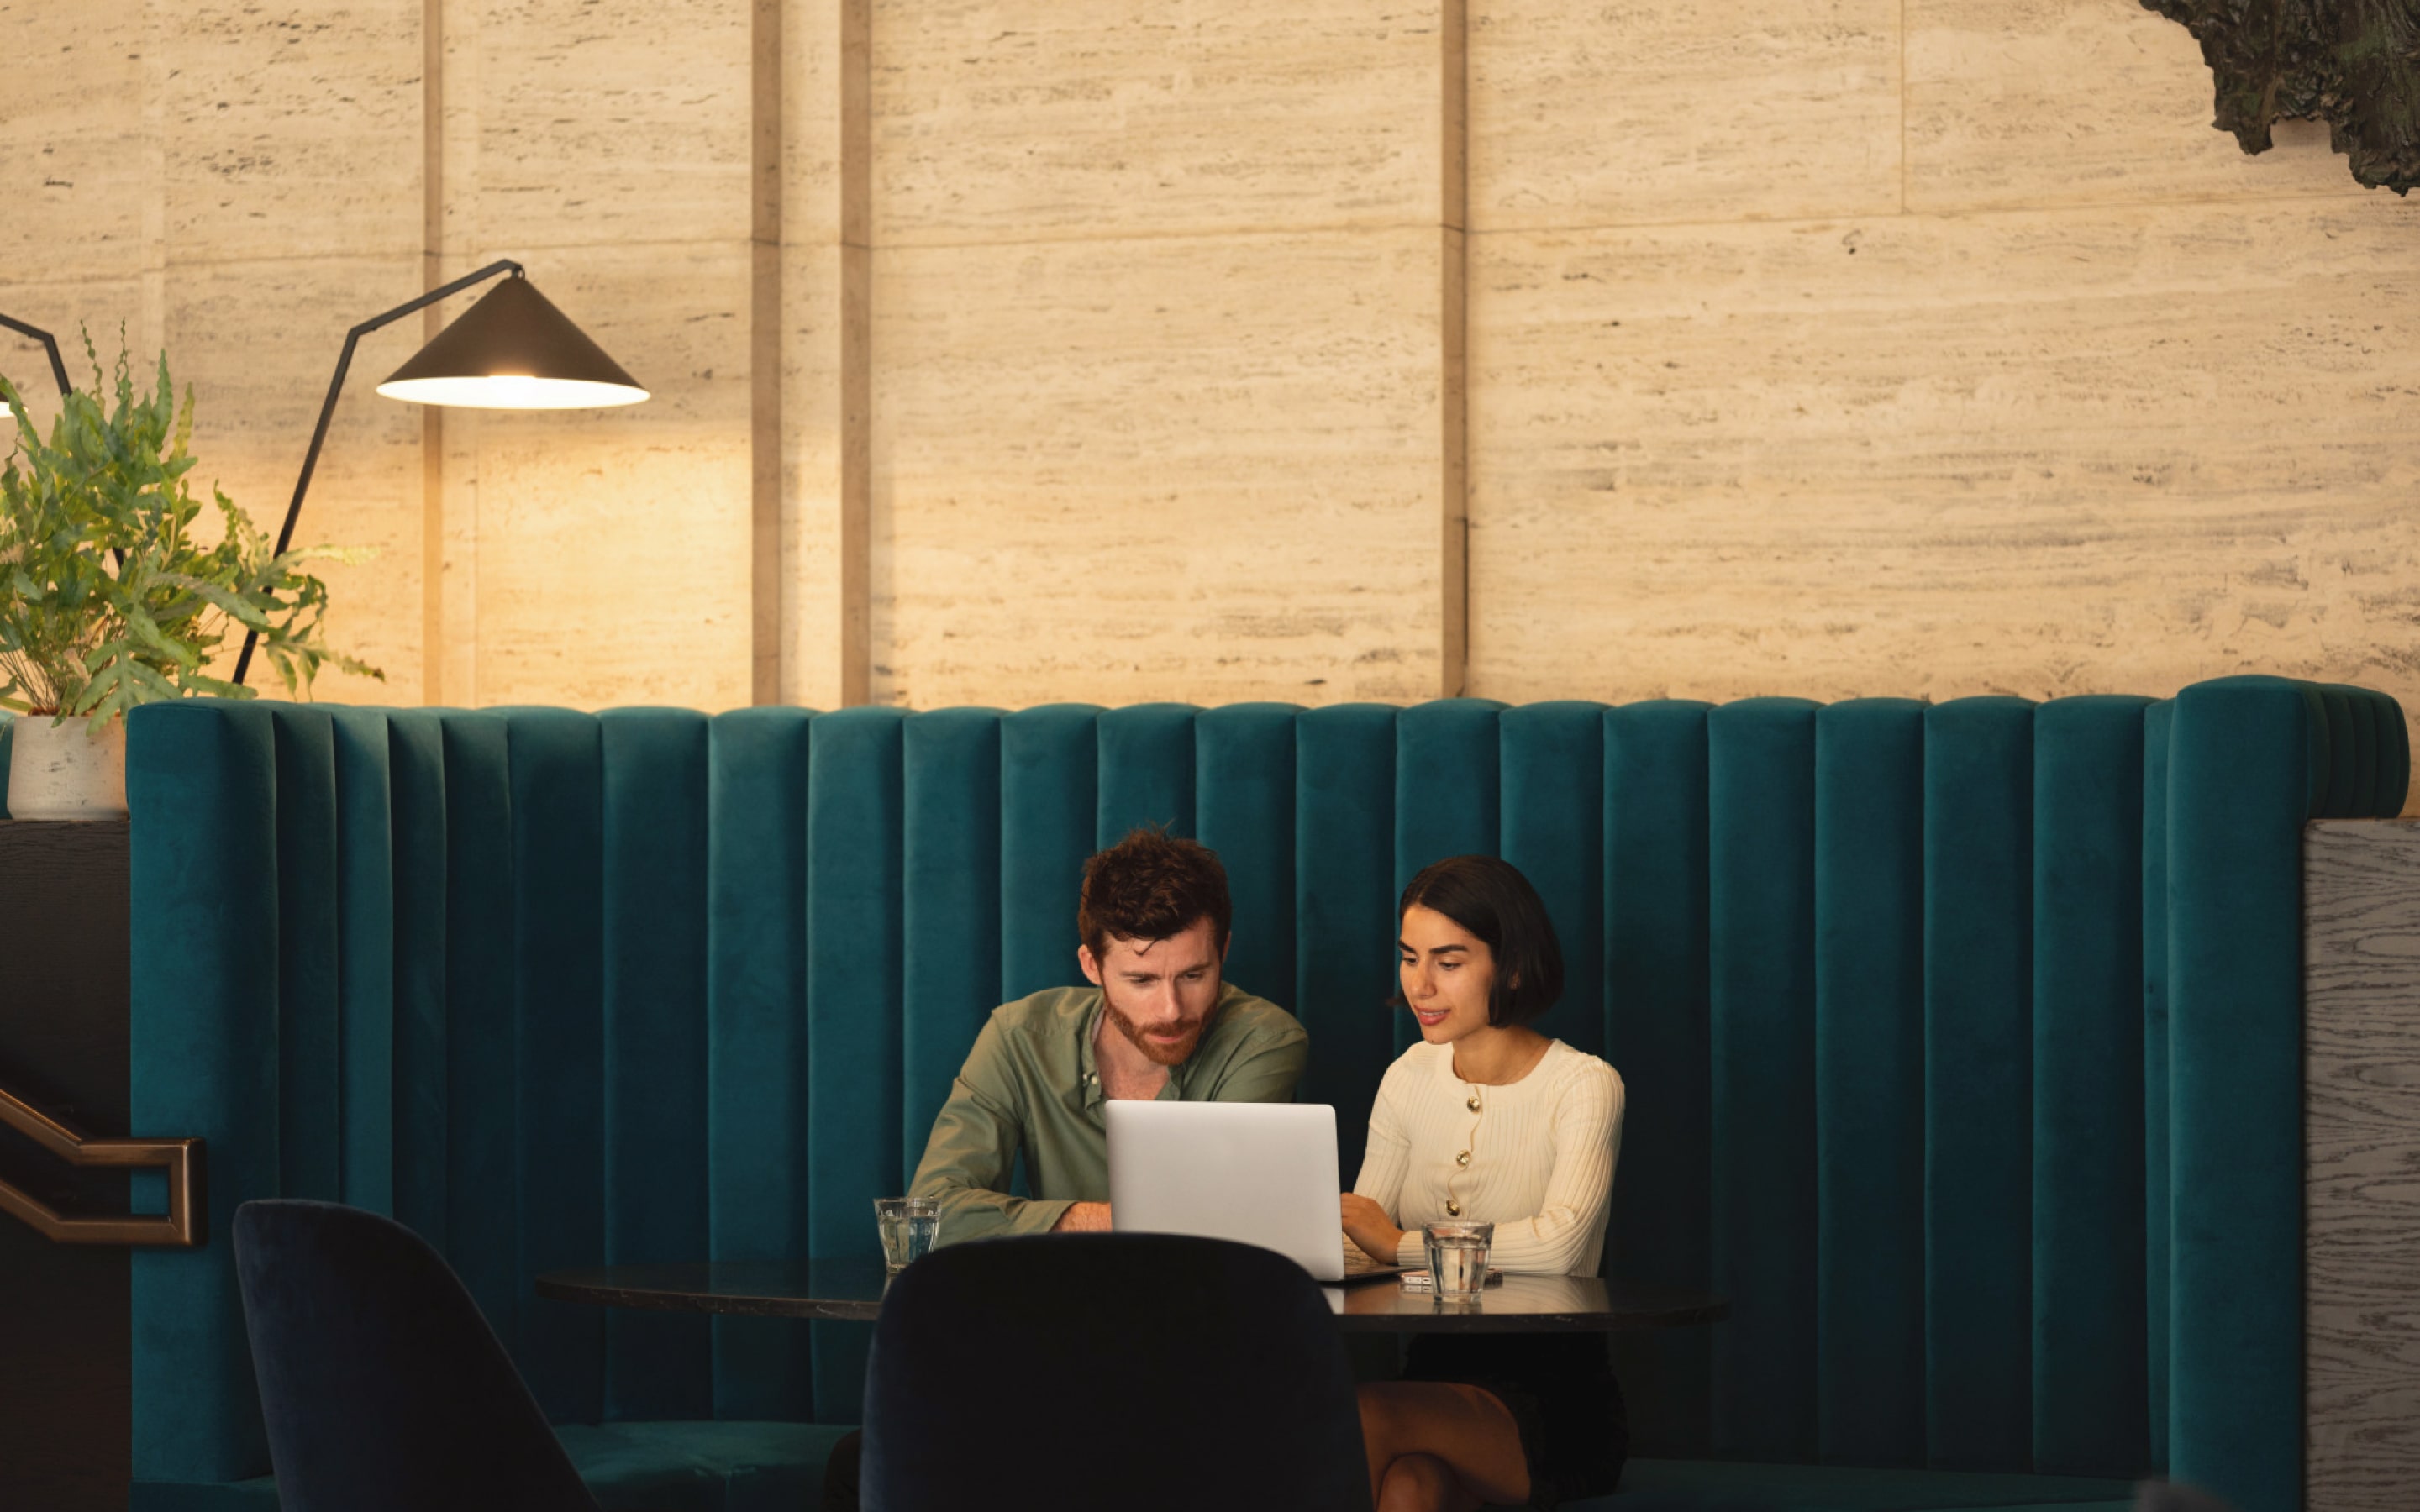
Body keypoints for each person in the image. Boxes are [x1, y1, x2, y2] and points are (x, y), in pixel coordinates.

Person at [818, 826, 1311, 1509]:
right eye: (1140, 979)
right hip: (1050, 1358)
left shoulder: (1265, 1039)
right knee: (865, 1462)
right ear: (1091, 964)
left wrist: (1061, 1231)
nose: (1171, 1009)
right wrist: (1105, 1219)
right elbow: (935, 1210)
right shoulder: (1019, 1036)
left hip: (1199, 1366)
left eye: (1193, 975)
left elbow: (1217, 1237)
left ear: (1223, 952)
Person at [1344, 854, 1628, 1512]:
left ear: (1514, 965)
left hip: (1554, 1400)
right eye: (1409, 957)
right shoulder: (1408, 1076)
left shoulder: (1584, 1085)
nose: (1421, 986)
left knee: (1363, 1415)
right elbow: (1364, 1236)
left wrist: (1401, 1246)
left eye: (1449, 962)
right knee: (1411, 1487)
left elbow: (1563, 1250)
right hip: (1432, 1378)